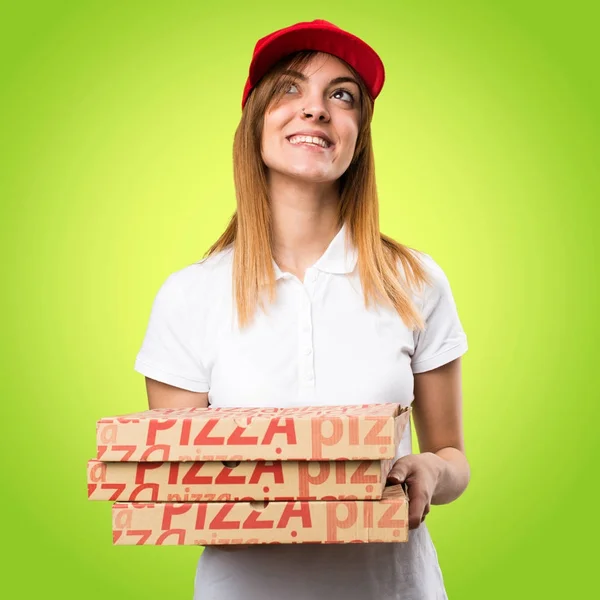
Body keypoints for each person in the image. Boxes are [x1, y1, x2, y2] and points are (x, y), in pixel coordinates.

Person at [134, 19, 470, 600]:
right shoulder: (189, 296)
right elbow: (177, 484)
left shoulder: (414, 281)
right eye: (290, 89)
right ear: (256, 125)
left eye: (341, 96)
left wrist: (433, 471)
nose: (316, 109)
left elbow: (453, 458)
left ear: (358, 136)